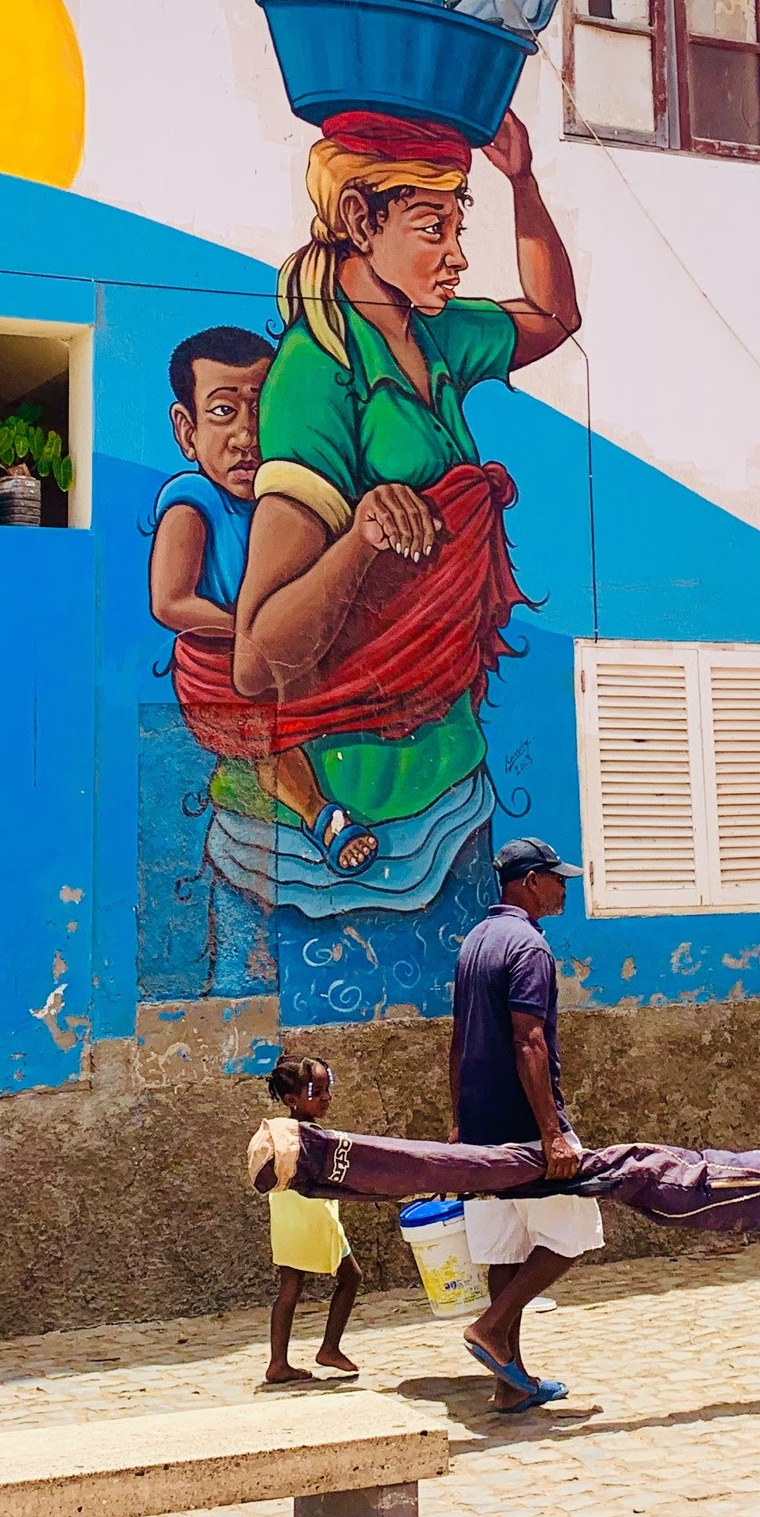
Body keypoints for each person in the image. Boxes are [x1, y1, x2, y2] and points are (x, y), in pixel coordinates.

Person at [190, 106, 579, 954]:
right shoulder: (315, 376)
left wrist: (523, 180)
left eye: (457, 224)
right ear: (362, 222)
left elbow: (553, 318)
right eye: (432, 226)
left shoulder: (434, 334)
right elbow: (259, 657)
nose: (458, 253)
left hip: (450, 783)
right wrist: (362, 536)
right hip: (347, 831)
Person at [148, 325, 371, 876]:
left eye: (262, 409)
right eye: (223, 411)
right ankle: (322, 815)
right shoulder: (192, 503)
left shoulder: (291, 502)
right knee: (269, 738)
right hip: (217, 666)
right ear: (187, 430)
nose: (248, 435)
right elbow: (170, 602)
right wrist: (251, 630)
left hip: (274, 658)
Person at [449, 835, 592, 1411]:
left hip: (482, 1124)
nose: (564, 888)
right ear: (531, 882)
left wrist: (459, 1124)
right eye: (558, 879)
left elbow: (456, 1041)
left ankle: (510, 1384)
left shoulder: (475, 942)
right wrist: (552, 1132)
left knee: (504, 1249)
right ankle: (491, 1328)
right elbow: (528, 1040)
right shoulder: (528, 947)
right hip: (523, 1123)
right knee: (574, 1233)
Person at [258, 1054, 363, 1384]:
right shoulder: (312, 1137)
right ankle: (329, 1347)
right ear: (292, 1100)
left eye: (326, 1089)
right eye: (316, 1091)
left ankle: (278, 1362)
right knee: (351, 1277)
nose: (326, 1097)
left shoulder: (283, 1134)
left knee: (289, 1287)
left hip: (287, 1217)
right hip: (314, 1215)